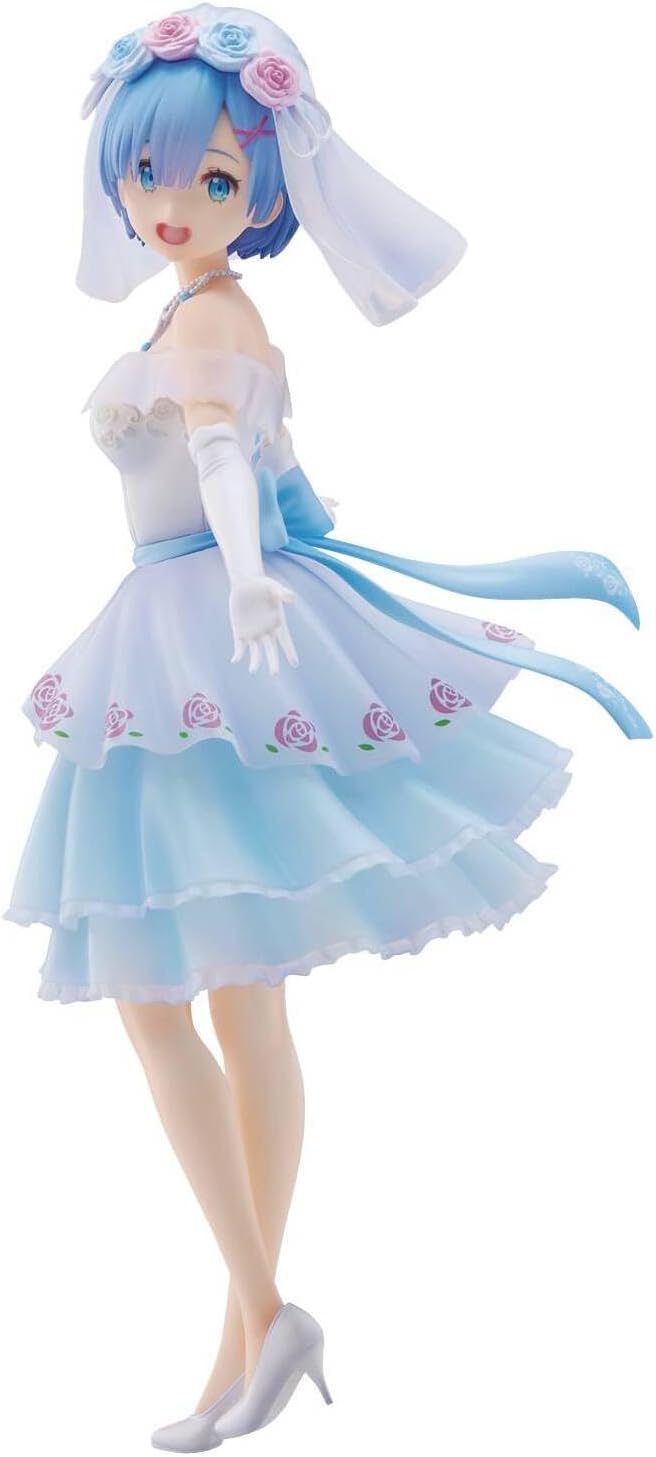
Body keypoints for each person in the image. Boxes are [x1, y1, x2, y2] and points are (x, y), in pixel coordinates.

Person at [3, 6, 651, 1448]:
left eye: (211, 180)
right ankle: (250, 1333)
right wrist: (265, 534)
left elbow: (222, 458)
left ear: (263, 191)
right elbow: (252, 452)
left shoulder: (213, 317)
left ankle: (258, 1312)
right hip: (188, 624)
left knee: (178, 995)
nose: (172, 204)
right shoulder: (193, 312)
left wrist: (247, 576)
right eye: (149, 177)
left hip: (202, 634)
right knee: (232, 991)